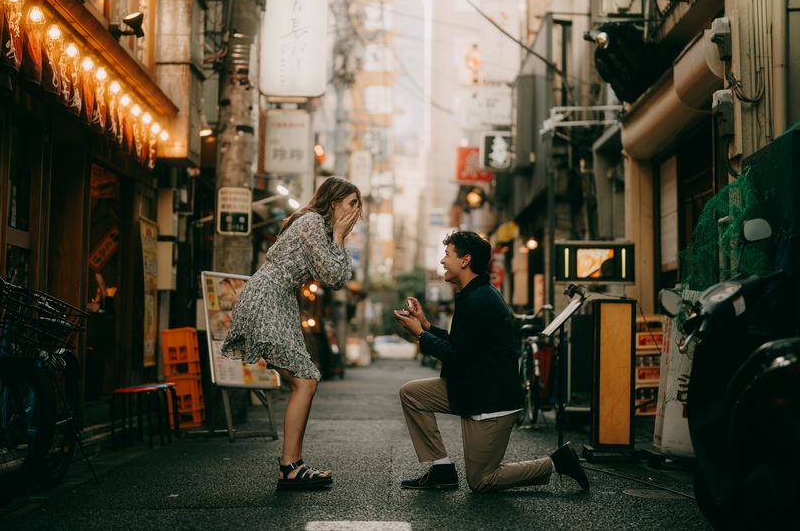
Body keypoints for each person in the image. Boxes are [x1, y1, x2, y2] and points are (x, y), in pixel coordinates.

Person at [393, 230, 590, 493]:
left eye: (447, 254)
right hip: (471, 387)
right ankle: (441, 469)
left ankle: (556, 462)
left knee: (482, 480)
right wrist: (427, 325)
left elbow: (457, 356)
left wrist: (419, 333)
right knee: (412, 394)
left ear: (465, 260)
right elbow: (460, 344)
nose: (442, 261)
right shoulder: (473, 293)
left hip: (491, 400)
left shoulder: (480, 300)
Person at [222, 177, 361, 490]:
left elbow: (339, 279)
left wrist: (337, 237)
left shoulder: (321, 230)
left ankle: (292, 464)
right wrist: (339, 235)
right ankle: (290, 466)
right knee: (305, 380)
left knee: (305, 380)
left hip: (280, 300)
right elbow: (331, 275)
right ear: (335, 203)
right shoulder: (313, 222)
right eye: (352, 204)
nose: (356, 212)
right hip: (268, 297)